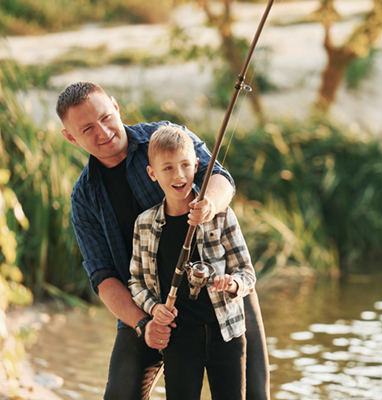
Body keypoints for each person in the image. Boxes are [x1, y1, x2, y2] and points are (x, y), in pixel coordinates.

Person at [56, 81, 270, 400]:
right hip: (150, 305)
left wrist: (209, 204)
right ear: (71, 138)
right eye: (87, 128)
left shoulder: (165, 135)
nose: (103, 132)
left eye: (104, 117)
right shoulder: (84, 198)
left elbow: (220, 178)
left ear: (115, 106)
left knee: (253, 394)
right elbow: (103, 276)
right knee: (120, 395)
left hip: (220, 292)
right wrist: (144, 323)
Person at [129, 125, 255, 399]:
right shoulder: (144, 224)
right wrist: (154, 308)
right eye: (168, 168)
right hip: (180, 339)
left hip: (227, 334)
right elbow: (136, 284)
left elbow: (247, 273)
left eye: (186, 165)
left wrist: (233, 284)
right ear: (152, 173)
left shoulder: (221, 215)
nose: (179, 175)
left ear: (197, 165)